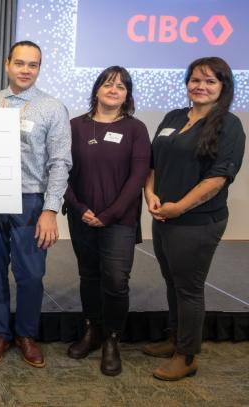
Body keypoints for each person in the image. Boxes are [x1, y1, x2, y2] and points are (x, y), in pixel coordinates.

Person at [143, 57, 245, 381]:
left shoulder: (229, 125)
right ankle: (175, 338)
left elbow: (217, 179)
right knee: (173, 281)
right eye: (195, 80)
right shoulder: (174, 116)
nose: (201, 86)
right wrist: (150, 194)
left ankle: (187, 356)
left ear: (223, 87)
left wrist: (179, 207)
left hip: (197, 221)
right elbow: (153, 162)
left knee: (189, 288)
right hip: (164, 217)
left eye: (210, 81)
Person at [0, 41, 71, 368]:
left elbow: (60, 162)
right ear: (7, 65)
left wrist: (50, 210)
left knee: (31, 275)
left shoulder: (52, 107)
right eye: (20, 63)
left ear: (39, 68)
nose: (26, 70)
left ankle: (26, 334)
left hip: (31, 202)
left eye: (33, 65)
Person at [63, 66, 151, 376]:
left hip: (119, 220)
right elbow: (63, 173)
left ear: (127, 95)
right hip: (81, 216)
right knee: (89, 276)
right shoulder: (74, 126)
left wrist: (109, 214)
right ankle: (93, 330)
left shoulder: (135, 129)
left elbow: (138, 177)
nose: (114, 90)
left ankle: (112, 339)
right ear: (97, 89)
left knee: (115, 281)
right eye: (108, 84)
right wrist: (79, 207)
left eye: (121, 87)